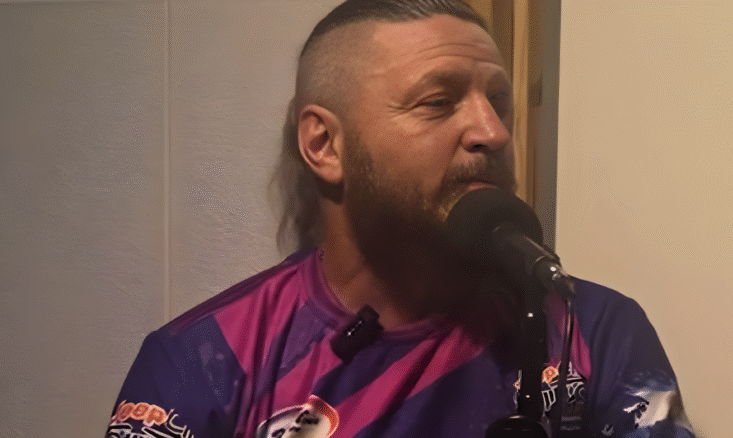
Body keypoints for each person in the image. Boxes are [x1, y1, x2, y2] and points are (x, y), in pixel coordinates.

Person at [105, 1, 695, 437]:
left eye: (499, 102)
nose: (492, 132)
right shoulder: (202, 361)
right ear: (325, 145)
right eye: (437, 102)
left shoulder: (592, 331)